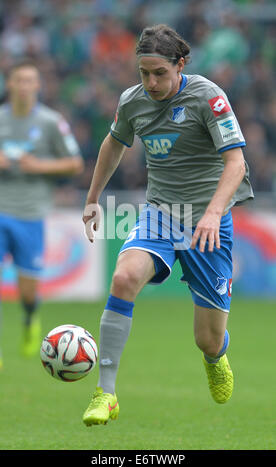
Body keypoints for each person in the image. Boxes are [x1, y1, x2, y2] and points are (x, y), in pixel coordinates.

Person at [82, 24, 254, 426]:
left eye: (159, 72)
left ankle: (216, 355)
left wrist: (213, 212)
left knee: (207, 339)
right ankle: (105, 393)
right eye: (143, 73)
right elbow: (113, 144)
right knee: (123, 278)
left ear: (180, 65)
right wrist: (92, 200)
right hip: (160, 214)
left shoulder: (208, 97)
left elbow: (237, 163)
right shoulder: (132, 102)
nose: (151, 82)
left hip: (208, 221)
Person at [0, 59, 83, 365]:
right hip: (0, 210)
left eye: (29, 80)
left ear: (37, 85)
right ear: (9, 84)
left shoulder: (51, 122)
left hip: (31, 213)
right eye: (18, 80)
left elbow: (75, 163)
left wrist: (39, 166)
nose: (24, 86)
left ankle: (29, 319)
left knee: (28, 292)